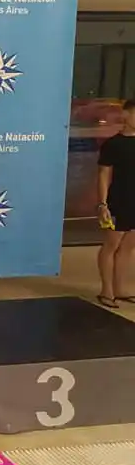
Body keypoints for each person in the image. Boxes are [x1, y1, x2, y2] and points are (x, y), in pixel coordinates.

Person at [95, 99, 135, 308]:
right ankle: (106, 290)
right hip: (118, 201)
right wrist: (103, 204)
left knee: (128, 246)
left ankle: (120, 288)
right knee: (112, 245)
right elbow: (103, 175)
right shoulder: (113, 144)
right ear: (126, 115)